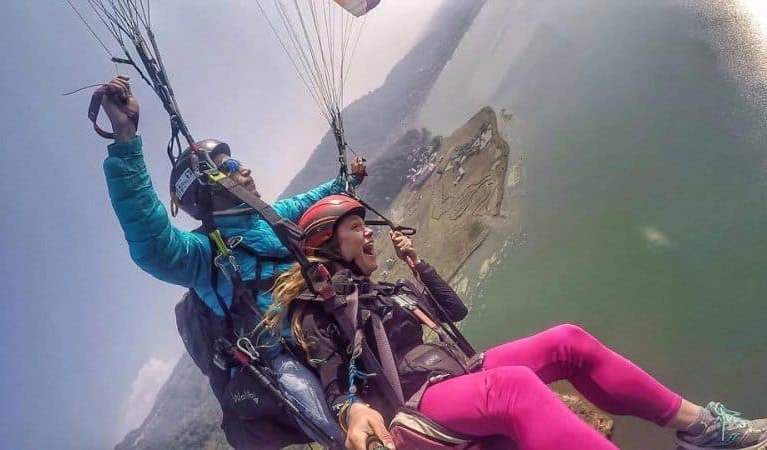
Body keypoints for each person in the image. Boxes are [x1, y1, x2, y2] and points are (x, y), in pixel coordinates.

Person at [266, 194, 767, 450]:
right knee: (514, 388)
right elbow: (332, 374)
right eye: (357, 229)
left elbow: (454, 313)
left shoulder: (383, 288)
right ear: (326, 246)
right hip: (414, 403)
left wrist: (416, 263)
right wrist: (350, 410)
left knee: (568, 340)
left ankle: (700, 428)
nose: (369, 236)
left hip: (453, 372)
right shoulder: (319, 305)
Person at [97, 75, 365, 449]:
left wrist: (346, 179)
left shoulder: (271, 217)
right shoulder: (202, 254)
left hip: (327, 319)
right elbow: (153, 243)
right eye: (232, 165)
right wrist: (125, 140)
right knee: (326, 417)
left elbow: (316, 197)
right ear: (209, 185)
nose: (246, 169)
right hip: (289, 359)